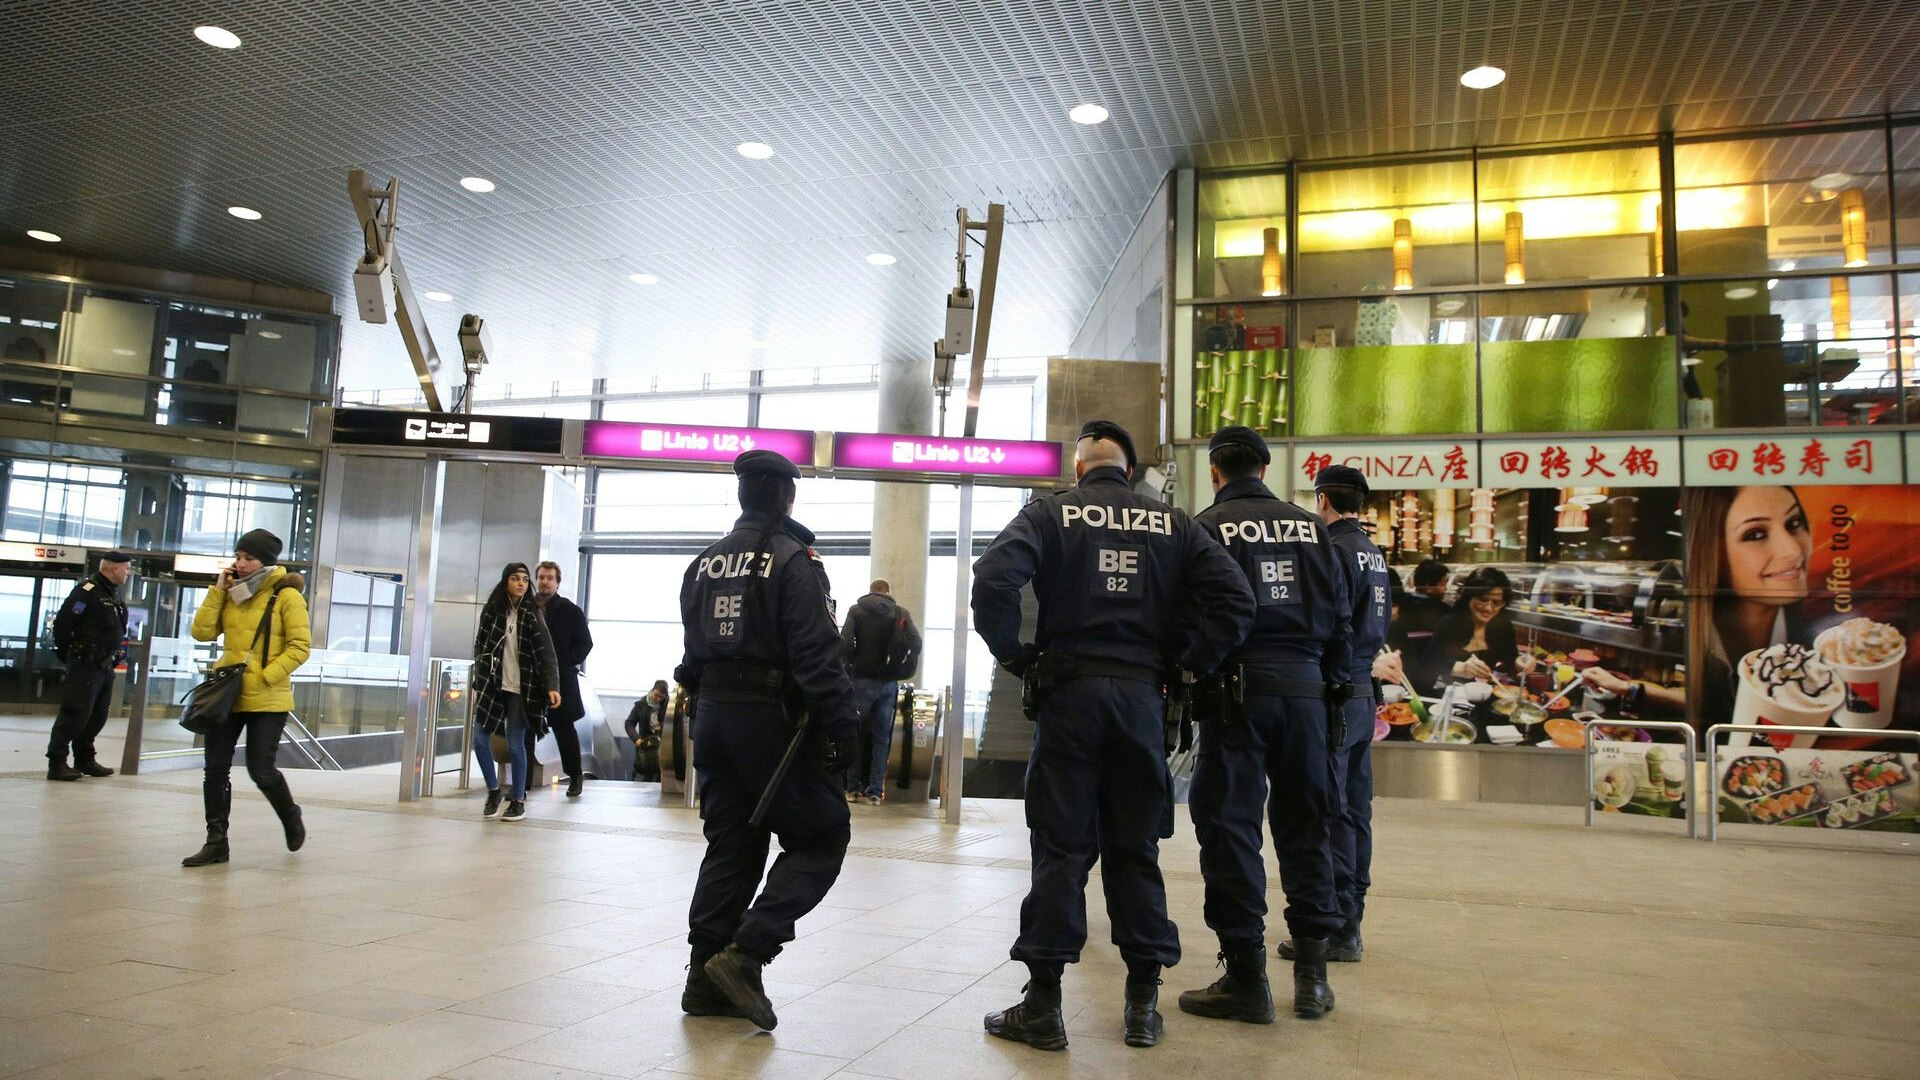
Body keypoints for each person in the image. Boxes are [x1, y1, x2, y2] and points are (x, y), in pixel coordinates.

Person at [973, 420, 1255, 1051]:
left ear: (1078, 471)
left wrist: (1015, 655)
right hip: (1140, 702)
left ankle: (1043, 1006)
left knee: (1061, 847)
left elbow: (992, 578)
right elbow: (1235, 601)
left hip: (1069, 697)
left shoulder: (1050, 515)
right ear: (1128, 471)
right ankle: (1142, 1006)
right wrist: (1187, 664)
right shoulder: (1174, 523)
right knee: (1134, 848)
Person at [676, 450, 858, 1032]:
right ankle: (748, 953)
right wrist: (844, 728)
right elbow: (815, 654)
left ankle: (703, 977)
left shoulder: (703, 562)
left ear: (741, 497)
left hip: (712, 717)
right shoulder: (793, 560)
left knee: (732, 842)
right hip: (771, 723)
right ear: (787, 498)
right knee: (821, 838)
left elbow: (689, 658)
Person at [1175, 429, 1350, 1027]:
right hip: (1307, 693)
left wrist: (1189, 671)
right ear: (1267, 466)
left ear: (1215, 470)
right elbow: (1341, 618)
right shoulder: (1312, 527)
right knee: (1308, 826)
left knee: (1231, 830)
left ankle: (1247, 978)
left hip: (1235, 695)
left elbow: (1187, 615)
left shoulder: (1203, 527)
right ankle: (1313, 978)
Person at [1277, 465, 1391, 969]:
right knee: (1356, 809)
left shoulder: (1333, 551)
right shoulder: (1374, 552)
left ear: (1321, 499)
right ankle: (1353, 919)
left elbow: (1331, 623)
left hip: (1338, 690)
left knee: (1332, 809)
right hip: (1366, 690)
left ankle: (1338, 926)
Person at [1584, 485, 1811, 731]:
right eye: (1755, 534)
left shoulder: (1818, 640)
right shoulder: (1705, 638)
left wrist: (1629, 688)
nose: (1792, 550)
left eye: (1794, 523)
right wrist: (1627, 687)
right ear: (1713, 552)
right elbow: (1703, 704)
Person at [180, 530, 312, 867]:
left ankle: (290, 815)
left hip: (268, 697)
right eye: (237, 557)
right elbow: (202, 632)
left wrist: (266, 676)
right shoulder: (231, 593)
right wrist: (216, 592)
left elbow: (300, 647)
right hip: (227, 693)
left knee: (261, 770)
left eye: (247, 558)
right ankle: (216, 840)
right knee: (215, 769)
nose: (239, 564)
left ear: (265, 561)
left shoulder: (286, 596)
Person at [471, 562, 562, 824]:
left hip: (522, 688)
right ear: (505, 582)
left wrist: (552, 686)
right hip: (493, 685)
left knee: (515, 743)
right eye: (515, 578)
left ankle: (518, 800)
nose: (522, 583)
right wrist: (479, 681)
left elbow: (547, 653)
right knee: (480, 739)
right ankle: (493, 791)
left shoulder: (533, 614)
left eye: (524, 579)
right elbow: (480, 647)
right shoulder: (492, 612)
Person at [46, 551, 134, 781]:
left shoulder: (111, 594)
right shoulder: (87, 591)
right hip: (85, 664)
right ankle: (57, 762)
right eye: (126, 568)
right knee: (74, 713)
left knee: (96, 716)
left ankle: (85, 759)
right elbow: (63, 624)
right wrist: (68, 655)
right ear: (114, 568)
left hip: (104, 666)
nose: (129, 573)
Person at [839, 579, 921, 805]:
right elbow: (916, 643)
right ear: (888, 592)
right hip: (888, 682)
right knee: (881, 738)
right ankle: (875, 791)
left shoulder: (856, 610)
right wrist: (905, 668)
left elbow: (845, 642)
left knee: (854, 733)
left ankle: (853, 788)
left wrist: (852, 663)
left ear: (871, 591)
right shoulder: (899, 612)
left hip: (861, 680)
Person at [532, 560, 594, 797]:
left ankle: (575, 775)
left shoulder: (570, 611)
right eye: (541, 577)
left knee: (563, 729)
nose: (545, 581)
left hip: (561, 680)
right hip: (533, 680)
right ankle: (523, 782)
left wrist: (567, 662)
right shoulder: (528, 608)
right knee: (527, 728)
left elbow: (585, 643)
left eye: (550, 578)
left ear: (557, 583)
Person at [1413, 566, 1530, 690]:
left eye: (1496, 602)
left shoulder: (1503, 625)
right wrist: (1460, 668)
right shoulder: (1451, 622)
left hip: (1483, 693)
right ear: (1469, 597)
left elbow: (1511, 661)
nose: (1489, 608)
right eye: (1483, 599)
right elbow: (1428, 662)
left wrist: (1520, 663)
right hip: (1451, 692)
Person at [1388, 557, 1451, 651]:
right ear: (1428, 586)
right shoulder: (1442, 610)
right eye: (1442, 584)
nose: (1446, 589)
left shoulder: (1404, 603)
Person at [627, 680, 668, 781]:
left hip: (663, 746)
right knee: (645, 777)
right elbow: (629, 723)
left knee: (660, 778)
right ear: (652, 690)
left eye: (661, 697)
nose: (658, 699)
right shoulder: (641, 705)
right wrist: (636, 738)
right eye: (656, 695)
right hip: (645, 746)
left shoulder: (667, 705)